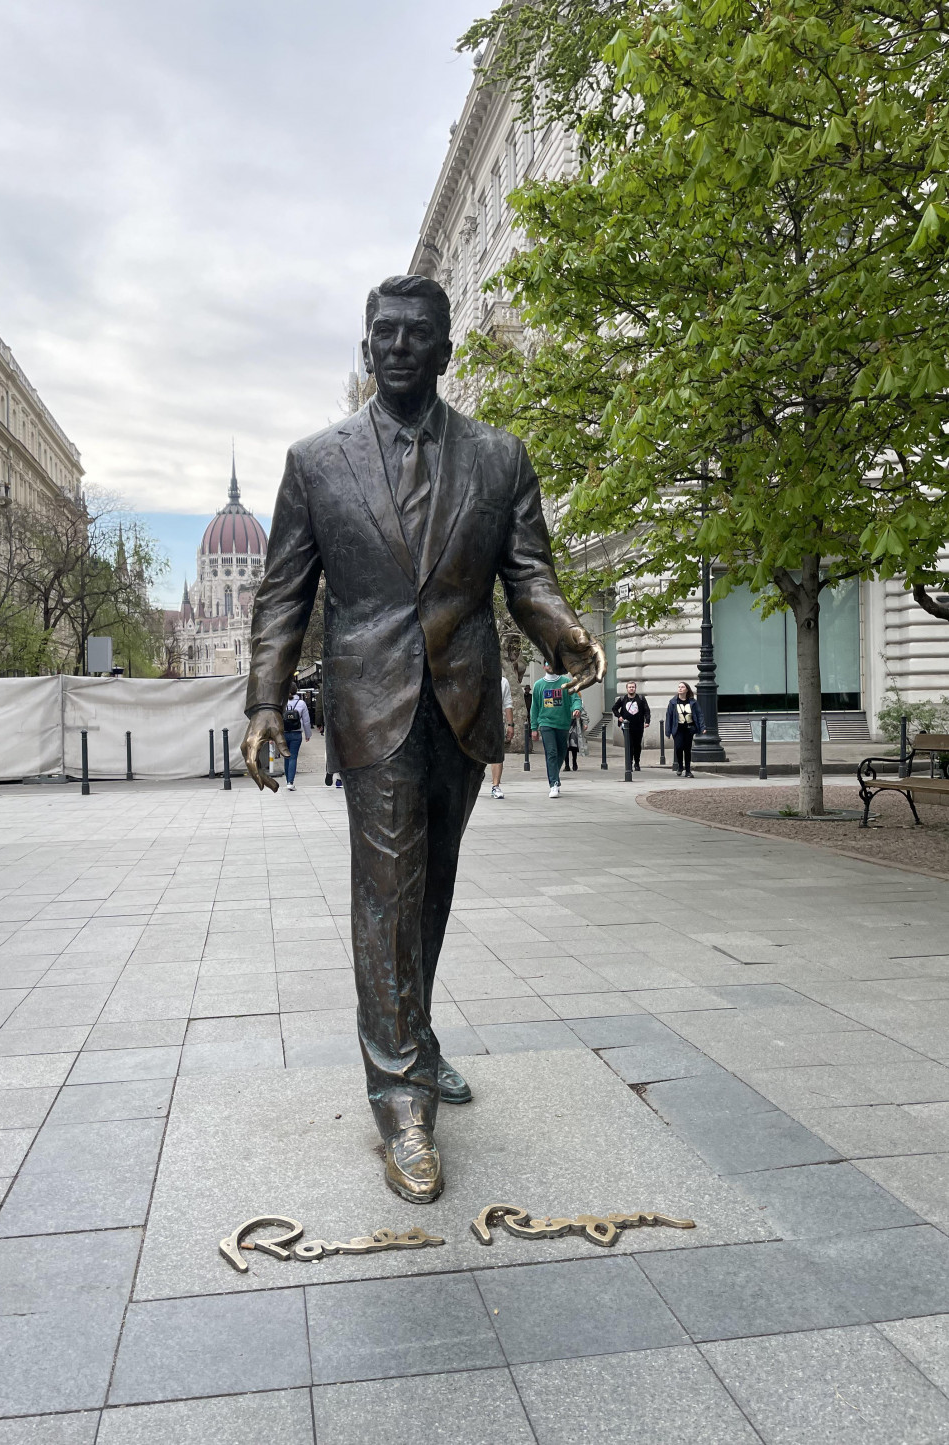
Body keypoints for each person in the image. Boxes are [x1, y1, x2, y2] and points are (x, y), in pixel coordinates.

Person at [242, 274, 605, 1203]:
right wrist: (262, 704)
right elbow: (284, 594)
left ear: (445, 349)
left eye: (418, 333)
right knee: (388, 893)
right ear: (366, 348)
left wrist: (563, 634)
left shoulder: (499, 457)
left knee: (430, 891)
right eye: (384, 332)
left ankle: (419, 1036)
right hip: (370, 703)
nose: (399, 346)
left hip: (463, 704)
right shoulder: (316, 462)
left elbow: (528, 575)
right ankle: (400, 1099)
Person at [531, 659, 584, 798]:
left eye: (553, 663)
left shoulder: (566, 682)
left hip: (563, 723)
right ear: (544, 667)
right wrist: (534, 727)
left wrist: (576, 709)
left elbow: (576, 699)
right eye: (547, 663)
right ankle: (553, 783)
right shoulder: (538, 685)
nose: (550, 666)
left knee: (561, 753)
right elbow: (534, 707)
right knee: (552, 752)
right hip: (545, 723)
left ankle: (555, 777)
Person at [665, 681, 704, 777]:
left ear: (687, 689)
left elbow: (699, 715)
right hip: (677, 728)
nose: (680, 688)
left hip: (689, 728)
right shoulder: (673, 702)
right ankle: (680, 766)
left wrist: (702, 727)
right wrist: (668, 731)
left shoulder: (693, 702)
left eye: (682, 687)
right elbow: (669, 716)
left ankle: (688, 770)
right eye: (679, 687)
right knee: (678, 747)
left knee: (687, 749)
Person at [612, 681, 651, 772]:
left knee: (637, 745)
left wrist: (647, 721)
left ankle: (637, 762)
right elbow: (614, 708)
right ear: (627, 689)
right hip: (626, 726)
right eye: (629, 687)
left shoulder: (641, 698)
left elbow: (647, 710)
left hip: (638, 725)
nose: (631, 689)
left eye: (633, 687)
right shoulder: (622, 699)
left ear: (635, 688)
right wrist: (619, 716)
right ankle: (629, 762)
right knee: (629, 744)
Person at [281, 683, 311, 791]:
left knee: (286, 756)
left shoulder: (281, 703)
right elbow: (306, 721)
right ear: (296, 690)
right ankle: (290, 782)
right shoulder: (301, 703)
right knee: (293, 757)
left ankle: (287, 779)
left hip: (283, 733)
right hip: (296, 734)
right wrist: (308, 734)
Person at [491, 674, 515, 798]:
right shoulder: (475, 676)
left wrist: (510, 724)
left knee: (497, 754)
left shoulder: (502, 681)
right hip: (477, 722)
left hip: (496, 721)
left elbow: (507, 703)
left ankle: (496, 786)